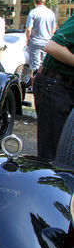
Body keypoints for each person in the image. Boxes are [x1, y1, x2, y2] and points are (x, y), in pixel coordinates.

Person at [33, 15, 73, 160]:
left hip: (66, 85)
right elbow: (52, 46)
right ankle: (53, 180)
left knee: (68, 150)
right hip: (55, 85)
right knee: (53, 154)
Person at [25, 0, 57, 77]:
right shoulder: (51, 13)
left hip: (35, 42)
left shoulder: (33, 12)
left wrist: (27, 40)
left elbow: (29, 29)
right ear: (44, 1)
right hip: (47, 42)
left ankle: (35, 87)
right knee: (44, 66)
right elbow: (53, 29)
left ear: (35, 1)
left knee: (35, 67)